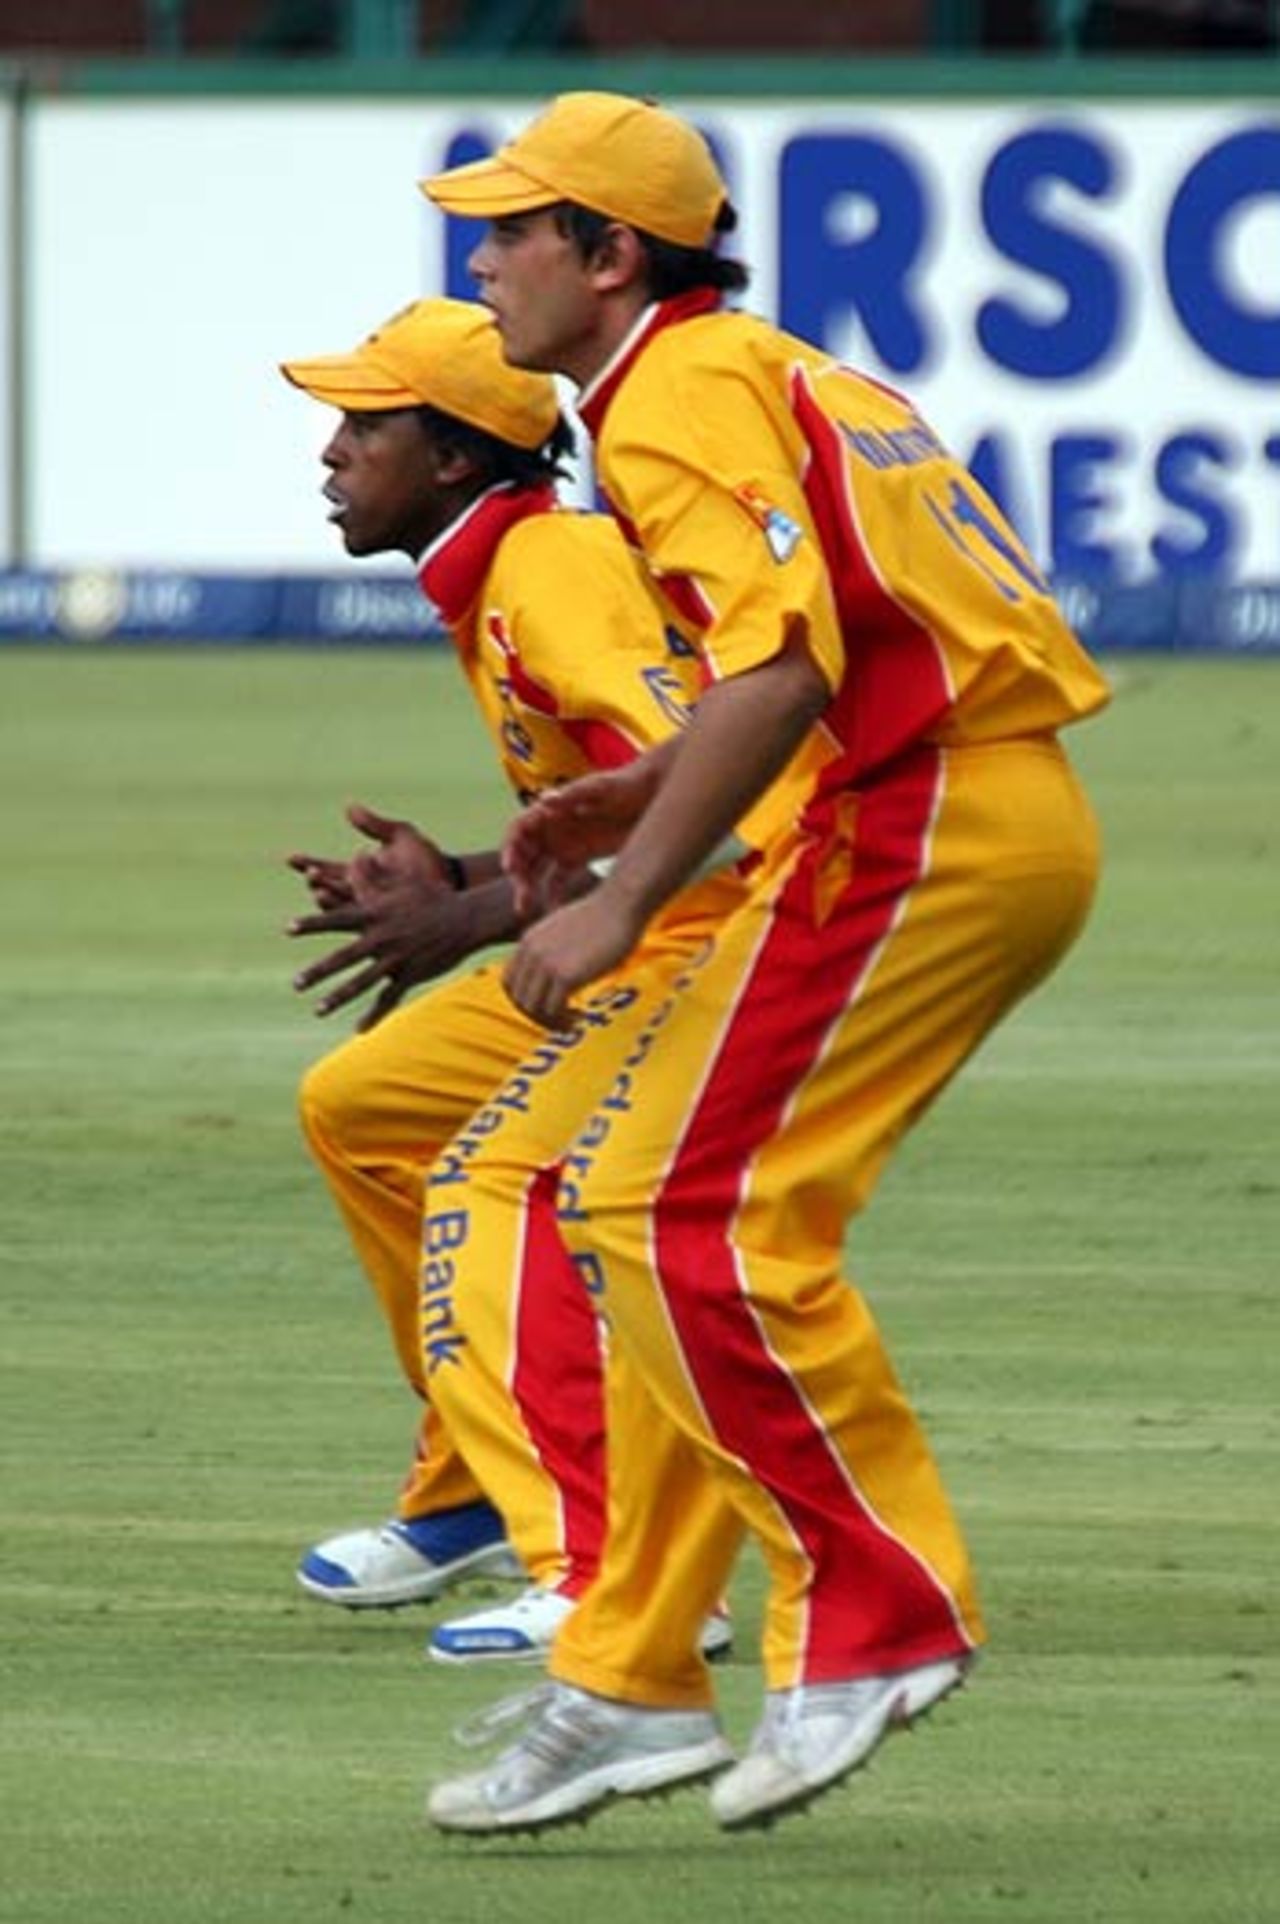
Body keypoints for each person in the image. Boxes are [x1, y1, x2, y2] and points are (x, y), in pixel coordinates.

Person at [416, 91, 1110, 1831]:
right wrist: (650, 787)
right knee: (639, 1209)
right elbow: (820, 647)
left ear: (610, 255)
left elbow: (789, 673)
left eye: (513, 230)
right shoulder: (755, 369)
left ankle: (874, 1618)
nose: (482, 261)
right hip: (952, 810)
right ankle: (633, 1669)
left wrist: (627, 892)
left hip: (920, 819)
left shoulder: (673, 395)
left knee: (677, 1213)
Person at [280, 295, 737, 1663]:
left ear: (454, 457)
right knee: (366, 1107)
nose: (331, 452)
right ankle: (480, 1479)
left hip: (715, 945)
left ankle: (617, 1570)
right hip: (644, 934)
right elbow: (633, 801)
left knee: (501, 1176)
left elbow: (723, 801)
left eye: (364, 425)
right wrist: (473, 877)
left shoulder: (552, 574)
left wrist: (478, 916)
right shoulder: (500, 572)